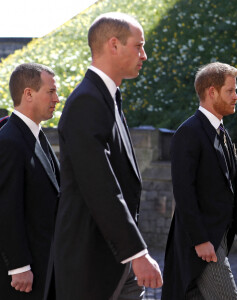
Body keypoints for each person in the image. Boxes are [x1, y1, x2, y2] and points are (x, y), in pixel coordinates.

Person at [49, 12, 162, 300]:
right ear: (114, 45)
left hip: (115, 262)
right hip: (91, 264)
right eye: (138, 46)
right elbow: (100, 186)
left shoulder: (107, 98)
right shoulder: (87, 101)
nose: (144, 55)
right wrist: (137, 253)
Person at [161, 62, 237, 300]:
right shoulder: (189, 132)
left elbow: (233, 194)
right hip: (203, 246)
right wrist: (201, 240)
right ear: (211, 92)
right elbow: (184, 193)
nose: (236, 97)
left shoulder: (224, 134)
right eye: (230, 91)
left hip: (218, 240)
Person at [0, 63, 60, 299]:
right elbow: (6, 208)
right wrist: (19, 266)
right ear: (28, 94)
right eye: (51, 91)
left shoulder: (36, 134)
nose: (57, 98)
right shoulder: (9, 141)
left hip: (46, 265)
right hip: (22, 278)